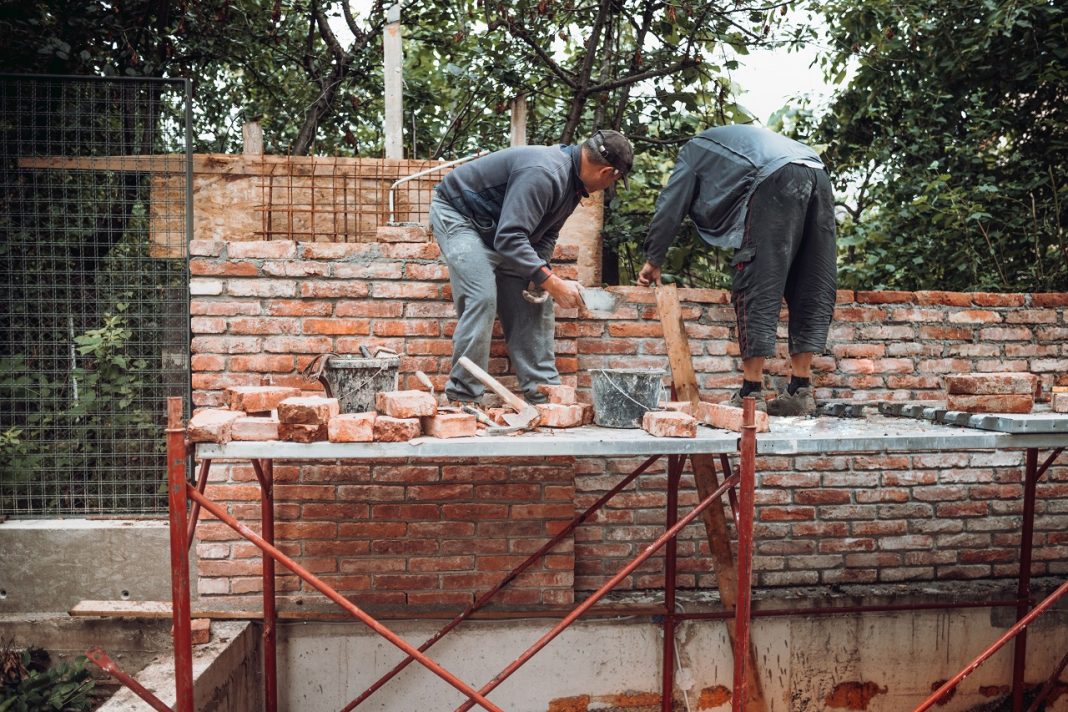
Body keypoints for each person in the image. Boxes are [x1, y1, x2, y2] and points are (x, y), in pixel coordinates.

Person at [636, 124, 836, 416]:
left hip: (773, 177)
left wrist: (653, 259)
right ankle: (800, 389)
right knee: (811, 280)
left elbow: (671, 205)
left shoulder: (693, 150)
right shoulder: (735, 143)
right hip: (817, 171)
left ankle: (751, 392)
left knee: (758, 279)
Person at [431, 129, 634, 406]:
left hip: (499, 230)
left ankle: (544, 394)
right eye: (615, 181)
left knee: (535, 299)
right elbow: (511, 237)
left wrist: (541, 278)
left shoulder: (573, 184)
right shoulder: (545, 173)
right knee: (482, 297)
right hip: (461, 217)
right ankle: (463, 398)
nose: (609, 187)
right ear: (608, 172)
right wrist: (552, 282)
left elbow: (545, 234)